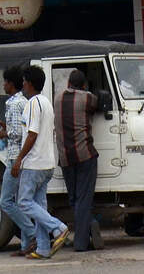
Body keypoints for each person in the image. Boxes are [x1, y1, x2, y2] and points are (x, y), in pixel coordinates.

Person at [13, 65, 69, 259]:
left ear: (29, 83)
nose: (22, 85)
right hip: (47, 163)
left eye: (24, 81)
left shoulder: (33, 103)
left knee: (23, 202)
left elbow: (32, 134)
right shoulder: (46, 102)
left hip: (34, 164)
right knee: (39, 207)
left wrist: (19, 159)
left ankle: (58, 227)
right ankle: (43, 248)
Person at [55, 68, 100, 252]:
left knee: (74, 199)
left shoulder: (57, 99)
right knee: (84, 199)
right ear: (83, 85)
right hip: (84, 155)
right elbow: (97, 103)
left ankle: (89, 228)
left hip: (65, 158)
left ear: (68, 84)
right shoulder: (87, 98)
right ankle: (81, 243)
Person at [0, 64, 36, 257]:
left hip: (14, 158)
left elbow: (18, 133)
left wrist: (3, 133)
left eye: (5, 82)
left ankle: (32, 233)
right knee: (21, 202)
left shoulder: (13, 103)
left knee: (5, 201)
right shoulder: (24, 101)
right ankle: (26, 245)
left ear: (11, 84)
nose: (3, 85)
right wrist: (7, 127)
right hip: (22, 157)